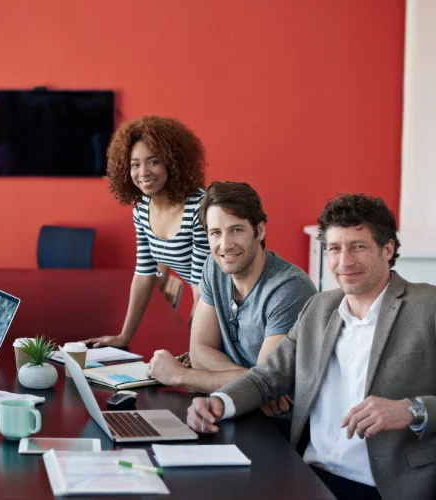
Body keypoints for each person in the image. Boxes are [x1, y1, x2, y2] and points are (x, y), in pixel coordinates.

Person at [187, 194, 436, 500]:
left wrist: (412, 410)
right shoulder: (318, 308)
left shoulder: (427, 307)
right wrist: (219, 403)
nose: (344, 261)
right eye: (334, 249)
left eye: (358, 247)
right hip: (308, 473)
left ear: (387, 249)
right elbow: (267, 377)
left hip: (386, 486)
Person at [146, 182, 317, 419]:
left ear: (260, 231)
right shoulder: (214, 267)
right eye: (215, 232)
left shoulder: (289, 288)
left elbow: (267, 382)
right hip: (233, 407)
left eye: (236, 230)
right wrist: (253, 383)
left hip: (278, 423)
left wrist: (179, 375)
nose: (225, 245)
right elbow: (200, 350)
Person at [84, 116, 210, 348]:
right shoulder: (142, 207)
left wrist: (198, 347)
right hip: (211, 312)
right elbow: (144, 274)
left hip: (234, 312)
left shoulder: (199, 208)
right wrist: (124, 337)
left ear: (173, 162)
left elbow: (202, 288)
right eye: (135, 164)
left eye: (153, 162)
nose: (143, 172)